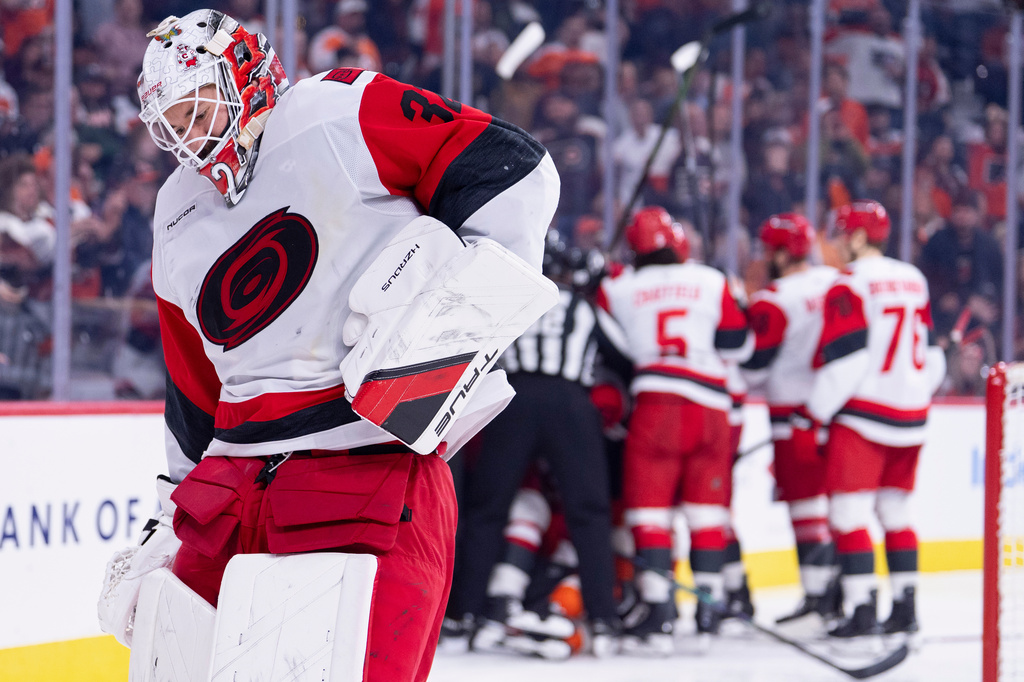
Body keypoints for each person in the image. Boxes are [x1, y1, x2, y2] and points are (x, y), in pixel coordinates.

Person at [96, 9, 559, 682]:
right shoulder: (175, 208)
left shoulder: (336, 109)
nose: (191, 139)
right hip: (226, 492)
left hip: (364, 463)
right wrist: (172, 505)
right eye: (174, 124)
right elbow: (192, 385)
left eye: (199, 110)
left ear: (246, 74)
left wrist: (454, 329)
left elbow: (514, 171)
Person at [458, 231, 634, 658]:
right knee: (588, 513)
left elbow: (475, 355)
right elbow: (625, 358)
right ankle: (605, 620)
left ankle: (464, 613)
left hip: (514, 400)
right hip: (570, 403)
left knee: (487, 509)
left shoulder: (512, 300)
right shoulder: (583, 307)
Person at [596, 206, 753, 652]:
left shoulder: (617, 287)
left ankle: (659, 609)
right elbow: (737, 345)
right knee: (708, 513)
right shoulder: (712, 279)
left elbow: (613, 350)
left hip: (656, 404)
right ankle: (710, 607)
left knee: (649, 515)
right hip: (710, 406)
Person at [804, 200, 945, 638]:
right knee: (896, 512)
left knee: (848, 515)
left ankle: (862, 610)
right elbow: (932, 354)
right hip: (912, 414)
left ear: (860, 238)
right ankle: (906, 608)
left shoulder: (848, 282)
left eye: (844, 236)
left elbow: (846, 360)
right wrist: (916, 393)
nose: (838, 245)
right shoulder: (913, 278)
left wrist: (814, 412)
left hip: (863, 414)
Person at [740, 213, 841, 625]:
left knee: (805, 508)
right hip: (837, 407)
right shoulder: (837, 282)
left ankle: (818, 600)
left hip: (791, 412)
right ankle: (839, 598)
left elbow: (754, 370)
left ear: (781, 252)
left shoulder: (775, 299)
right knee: (838, 508)